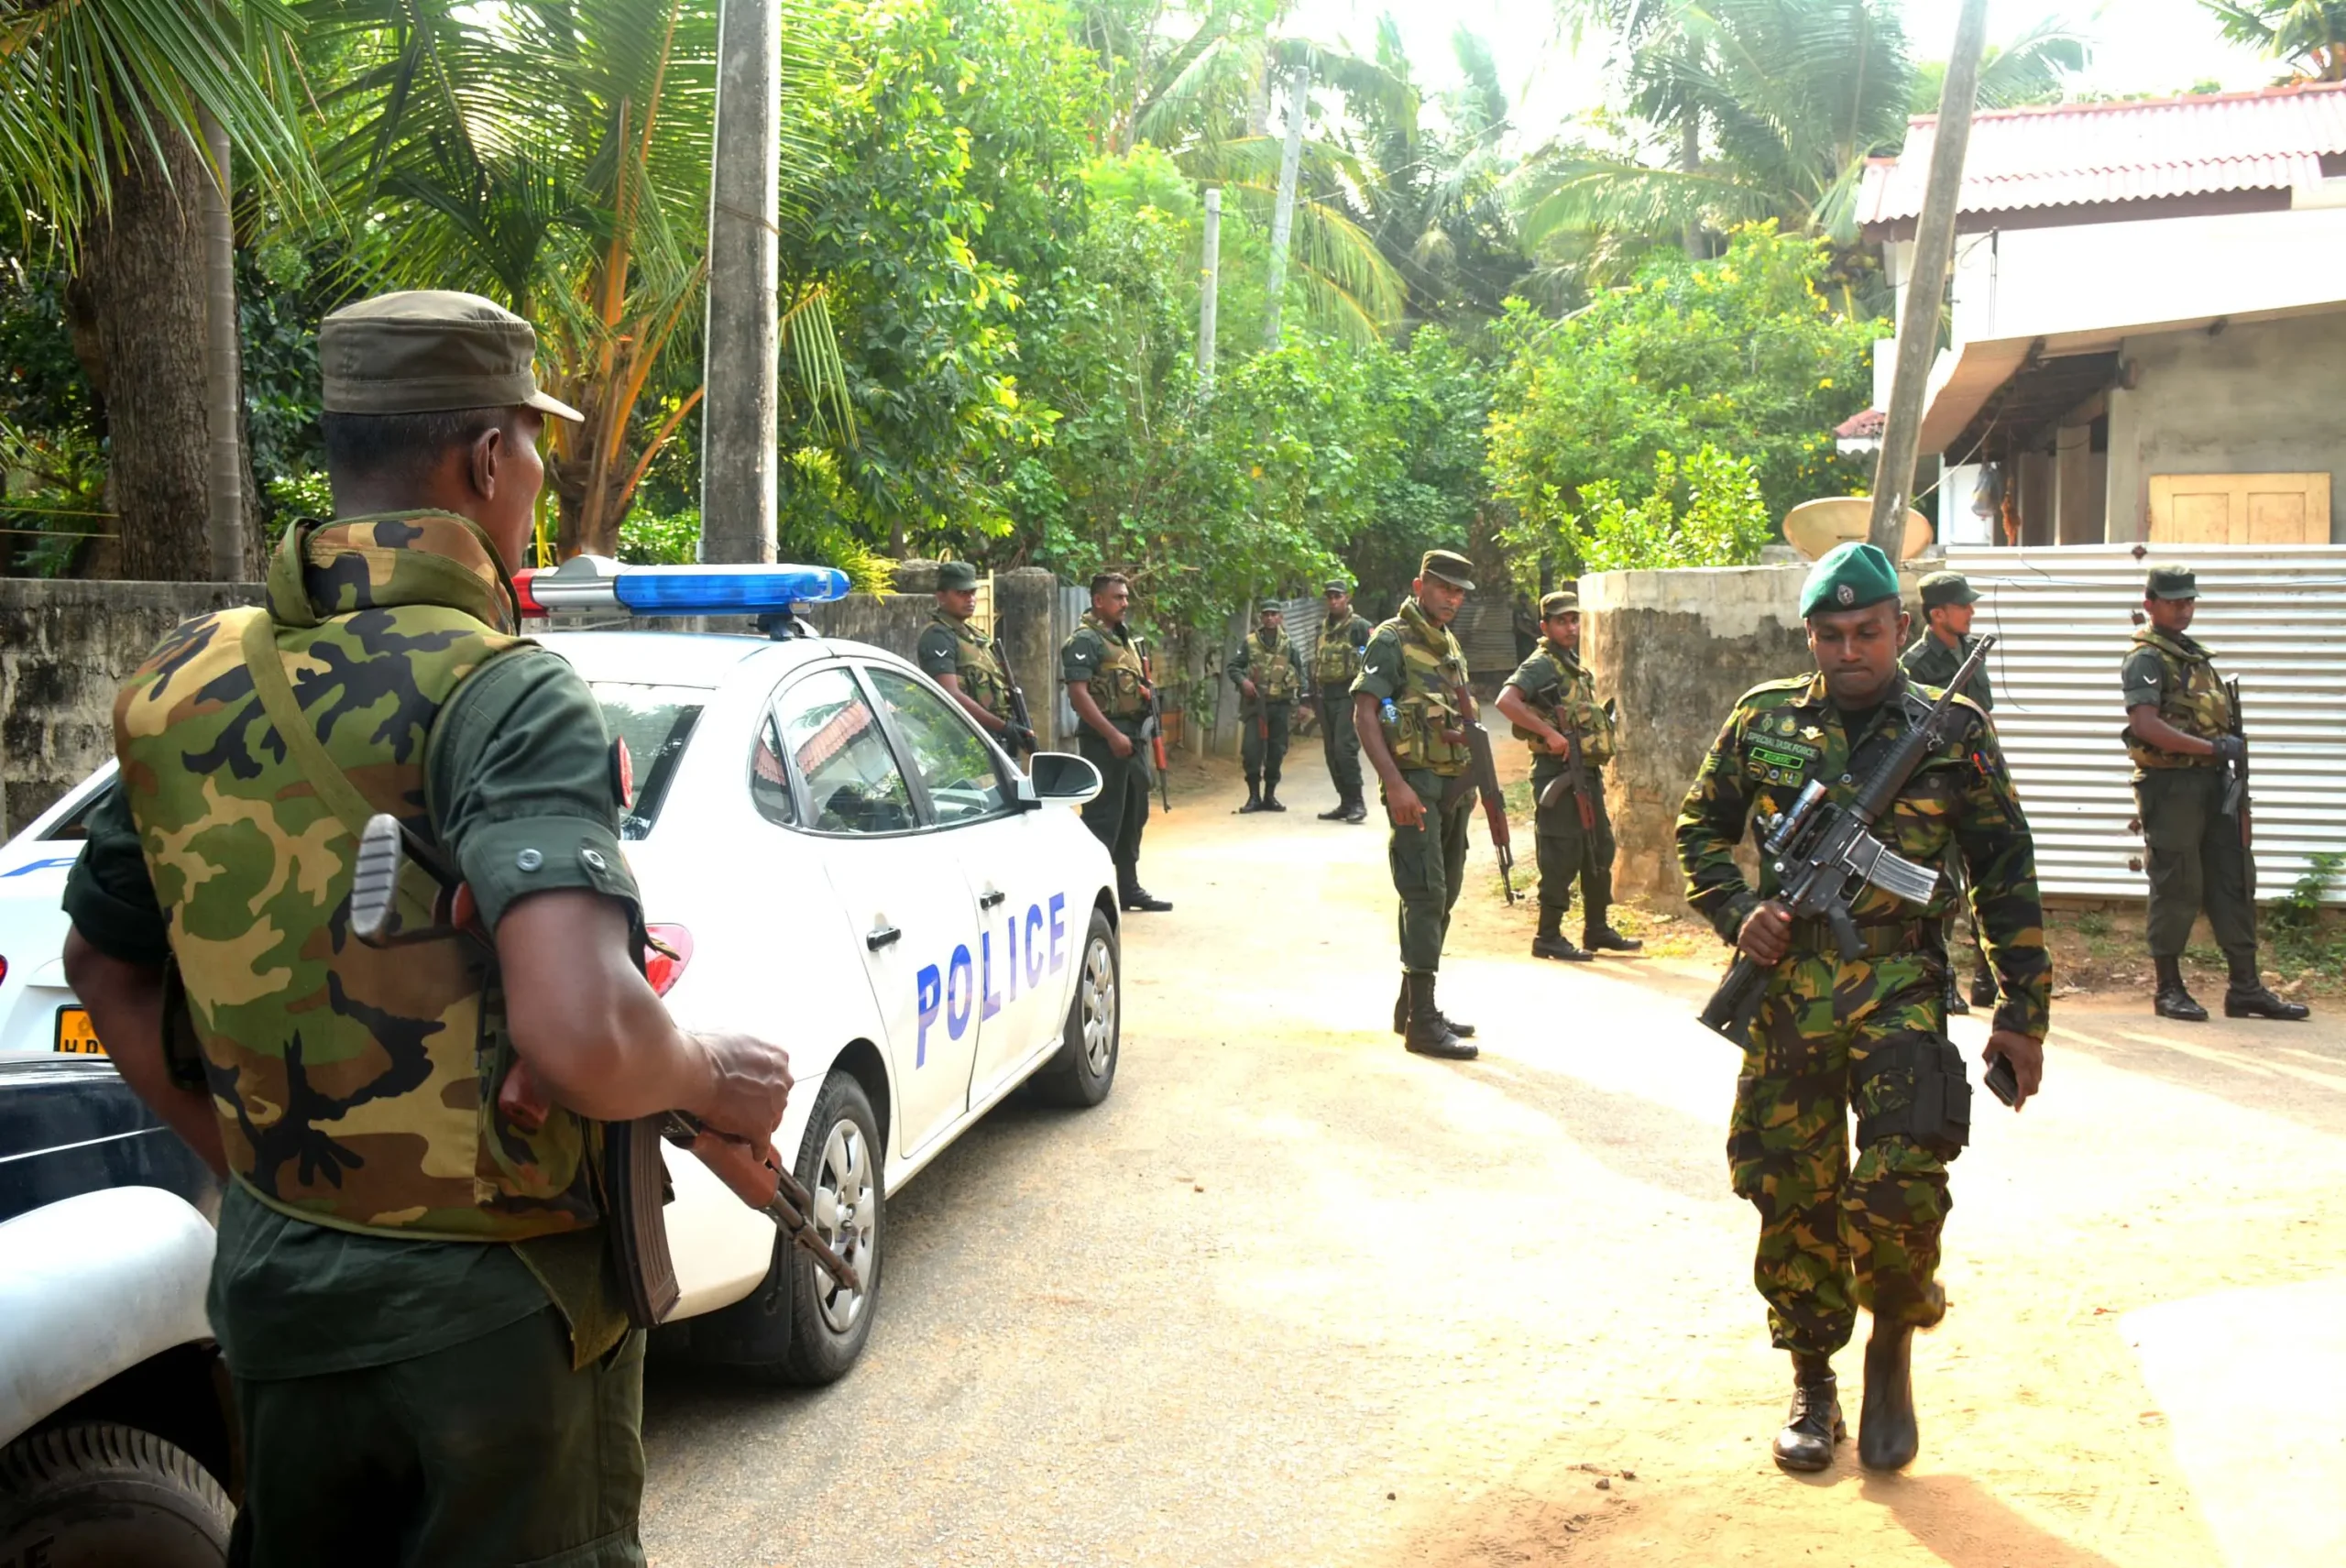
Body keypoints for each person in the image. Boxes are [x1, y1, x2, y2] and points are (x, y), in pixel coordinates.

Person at [58, 291, 795, 1566]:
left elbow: (103, 968)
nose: (537, 478)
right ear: (488, 458)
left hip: (279, 1291)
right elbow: (582, 1031)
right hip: (493, 1326)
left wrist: (260, 1169)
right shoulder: (505, 690)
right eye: (533, 445)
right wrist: (710, 1071)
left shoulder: (182, 678)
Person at [1674, 541, 2050, 1476]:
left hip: (1901, 983)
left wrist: (2021, 1011)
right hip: (1789, 994)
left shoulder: (1951, 729)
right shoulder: (1764, 720)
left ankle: (1890, 1344)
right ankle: (1813, 1381)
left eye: (1867, 632)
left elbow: (2005, 867)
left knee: (1900, 1178)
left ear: (1900, 627)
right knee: (1791, 1190)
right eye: (1831, 634)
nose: (1850, 650)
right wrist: (1739, 911)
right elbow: (1699, 827)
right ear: (1809, 635)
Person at [2121, 565, 2308, 1022]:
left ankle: (2245, 988)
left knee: (2234, 877)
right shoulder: (2146, 659)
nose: (2183, 609)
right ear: (2150, 604)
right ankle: (2168, 989)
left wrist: (2224, 755)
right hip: (2172, 787)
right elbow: (2145, 725)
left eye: (2189, 601)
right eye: (2173, 602)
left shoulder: (2193, 655)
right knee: (2177, 881)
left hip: (2214, 783)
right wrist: (2211, 748)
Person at [1353, 549, 1484, 1061]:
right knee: (1425, 893)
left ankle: (1411, 1006)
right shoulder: (1391, 640)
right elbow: (1365, 714)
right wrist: (1395, 785)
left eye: (1459, 592)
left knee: (1443, 894)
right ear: (1419, 585)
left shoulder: (1448, 642)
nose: (1452, 599)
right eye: (1443, 588)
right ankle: (1422, 1025)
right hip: (1416, 789)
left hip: (1453, 789)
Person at [1496, 591, 1639, 962]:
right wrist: (1549, 733)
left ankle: (1597, 928)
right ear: (1545, 626)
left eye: (1574, 620)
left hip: (1584, 772)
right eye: (1561, 621)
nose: (1570, 627)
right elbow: (1506, 701)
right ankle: (1547, 936)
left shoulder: (1571, 663)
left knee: (1598, 848)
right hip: (1556, 773)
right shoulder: (1541, 664)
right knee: (1560, 853)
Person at [1899, 571, 1996, 1016]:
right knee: (1942, 886)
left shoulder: (1971, 653)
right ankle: (1943, 979)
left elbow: (1983, 721)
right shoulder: (1915, 664)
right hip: (1935, 787)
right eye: (1963, 605)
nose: (1971, 611)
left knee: (1986, 878)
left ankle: (1986, 977)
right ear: (1938, 614)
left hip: (1975, 781)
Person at [1062, 571, 1172, 912]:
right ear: (1098, 601)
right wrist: (1111, 735)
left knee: (1134, 815)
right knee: (1103, 818)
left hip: (1132, 737)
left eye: (1125, 597)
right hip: (1103, 740)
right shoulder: (1085, 640)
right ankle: (1087, 895)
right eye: (1117, 597)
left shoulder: (1124, 639)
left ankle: (1128, 887)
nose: (1124, 603)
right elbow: (1078, 695)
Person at [918, 561, 1031, 754]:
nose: (970, 599)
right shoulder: (938, 636)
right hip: (963, 745)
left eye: (972, 593)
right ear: (941, 597)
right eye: (961, 593)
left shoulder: (972, 634)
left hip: (990, 741)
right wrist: (1003, 727)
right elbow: (950, 693)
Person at [1231, 602, 1306, 813]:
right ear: (1261, 618)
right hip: (1255, 706)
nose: (1270, 618)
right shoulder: (1250, 643)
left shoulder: (1289, 644)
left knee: (1277, 751)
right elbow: (1233, 667)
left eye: (1274, 614)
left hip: (1280, 705)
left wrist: (1303, 703)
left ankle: (1270, 795)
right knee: (1251, 751)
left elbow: (1301, 673)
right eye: (1266, 614)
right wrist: (1243, 682)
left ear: (1280, 617)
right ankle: (1253, 796)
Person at [1311, 580, 1376, 823]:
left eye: (1337, 596)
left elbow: (1374, 660)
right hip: (1326, 695)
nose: (1333, 601)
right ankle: (1345, 802)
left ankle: (1357, 802)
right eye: (1329, 597)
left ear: (1347, 598)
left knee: (1344, 748)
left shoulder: (1360, 627)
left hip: (1350, 695)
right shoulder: (1322, 629)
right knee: (1331, 752)